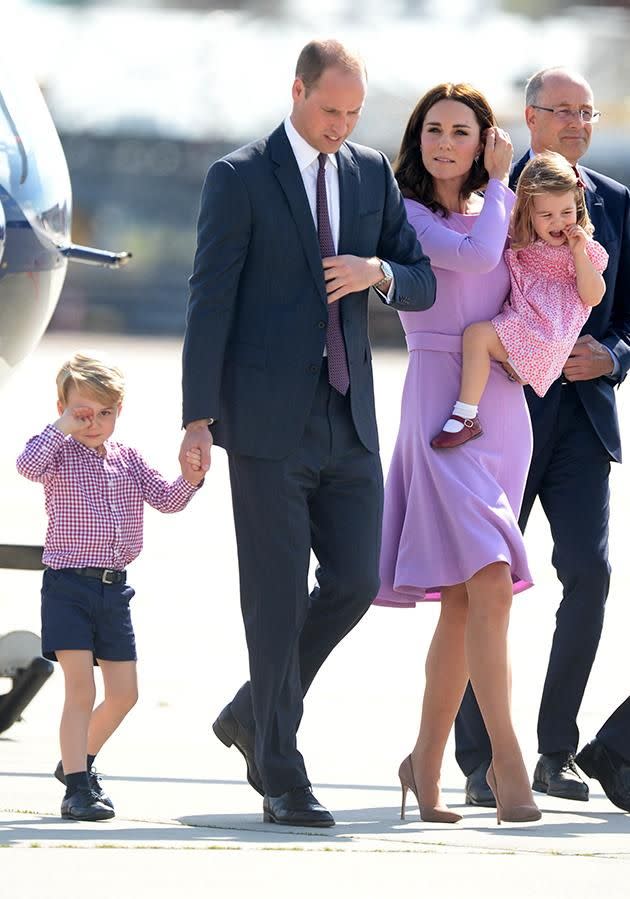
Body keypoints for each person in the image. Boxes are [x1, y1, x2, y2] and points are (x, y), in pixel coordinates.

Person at [179, 39, 436, 828]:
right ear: (296, 91)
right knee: (276, 599)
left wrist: (377, 273)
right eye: (331, 110)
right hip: (263, 424)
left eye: (354, 114)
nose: (342, 126)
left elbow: (419, 278)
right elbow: (209, 299)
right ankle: (281, 771)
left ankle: (254, 710)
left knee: (357, 580)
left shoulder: (367, 173)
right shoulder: (240, 176)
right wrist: (196, 416)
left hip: (348, 417)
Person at [456, 67, 630, 809]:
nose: (576, 122)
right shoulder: (485, 194)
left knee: (588, 571)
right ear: (529, 117)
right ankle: (479, 755)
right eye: (562, 110)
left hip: (583, 421)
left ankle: (556, 749)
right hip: (503, 412)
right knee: (483, 580)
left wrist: (615, 355)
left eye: (586, 112)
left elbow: (627, 317)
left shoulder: (617, 203)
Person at [374, 82, 540, 825]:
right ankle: (509, 761)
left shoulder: (499, 210)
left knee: (468, 600)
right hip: (437, 400)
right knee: (493, 579)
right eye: (435, 129)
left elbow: (541, 288)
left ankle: (424, 761)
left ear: (483, 141)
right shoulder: (406, 213)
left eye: (462, 131)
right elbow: (473, 263)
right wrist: (504, 184)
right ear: (419, 139)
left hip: (502, 404)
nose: (446, 142)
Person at [16, 351, 204, 821]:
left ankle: (75, 764)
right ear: (62, 407)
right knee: (80, 689)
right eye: (82, 412)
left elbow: (165, 499)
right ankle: (78, 788)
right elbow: (26, 464)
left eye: (104, 413)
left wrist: (191, 479)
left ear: (119, 411)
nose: (94, 422)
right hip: (67, 588)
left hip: (114, 591)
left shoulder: (128, 459)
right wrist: (62, 426)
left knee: (124, 695)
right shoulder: (56, 453)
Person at [431, 151, 606, 449]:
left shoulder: (582, 250)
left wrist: (578, 254)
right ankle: (472, 411)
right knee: (479, 339)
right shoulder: (521, 239)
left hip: (545, 335)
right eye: (546, 215)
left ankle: (465, 415)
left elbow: (594, 296)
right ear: (528, 213)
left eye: (566, 212)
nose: (558, 223)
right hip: (528, 329)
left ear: (578, 206)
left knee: (476, 336)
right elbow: (491, 223)